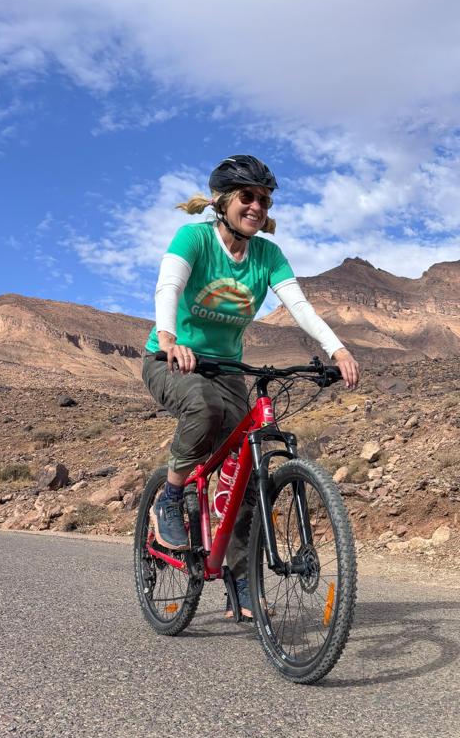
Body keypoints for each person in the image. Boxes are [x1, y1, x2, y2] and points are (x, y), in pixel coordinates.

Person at [141, 154, 359, 618]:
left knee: (244, 472)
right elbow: (169, 287)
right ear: (223, 202)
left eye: (264, 199)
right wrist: (167, 339)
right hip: (171, 359)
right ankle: (172, 499)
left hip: (227, 367)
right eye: (248, 197)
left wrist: (337, 350)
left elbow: (299, 306)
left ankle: (240, 583)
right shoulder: (195, 238)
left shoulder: (267, 255)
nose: (257, 206)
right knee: (202, 407)